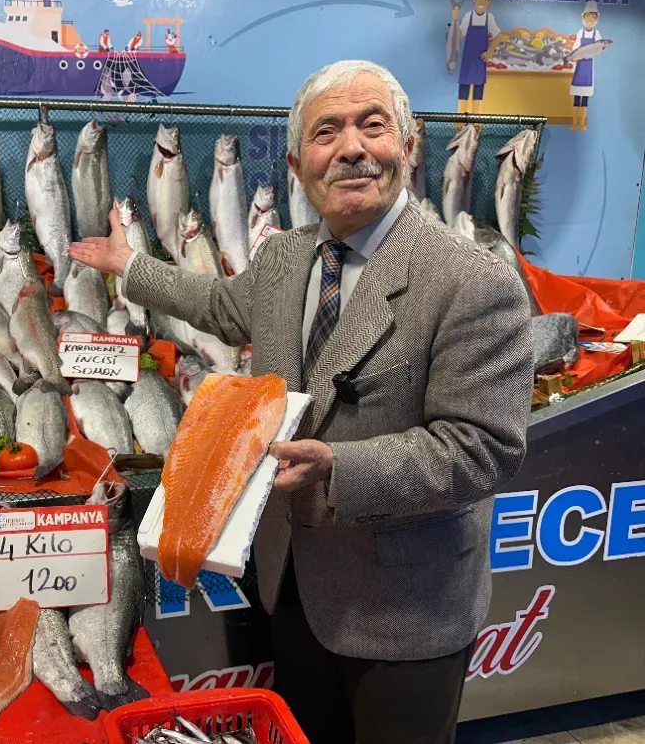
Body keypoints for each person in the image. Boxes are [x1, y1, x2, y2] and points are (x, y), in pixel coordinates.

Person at [69, 60, 533, 743]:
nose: (351, 147)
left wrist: (340, 468)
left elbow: (484, 450)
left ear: (408, 147)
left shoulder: (472, 282)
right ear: (297, 165)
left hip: (406, 611)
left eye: (372, 125)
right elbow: (220, 305)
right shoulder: (285, 258)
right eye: (326, 132)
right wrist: (129, 267)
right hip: (291, 585)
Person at [453, 0, 507, 113]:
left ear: (489, 2)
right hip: (468, 58)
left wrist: (489, 52)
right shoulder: (468, 16)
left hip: (480, 59)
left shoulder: (489, 18)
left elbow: (498, 36)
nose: (482, 1)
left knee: (479, 85)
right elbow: (460, 35)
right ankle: (460, 117)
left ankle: (476, 118)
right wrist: (455, 21)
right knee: (464, 84)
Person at [570, 2, 602, 132]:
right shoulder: (580, 32)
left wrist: (589, 55)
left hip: (588, 68)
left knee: (585, 97)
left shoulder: (596, 34)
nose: (589, 20)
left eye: (592, 17)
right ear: (583, 18)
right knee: (577, 96)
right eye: (587, 17)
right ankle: (574, 123)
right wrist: (575, 55)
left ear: (596, 19)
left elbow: (598, 49)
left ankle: (582, 123)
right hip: (579, 67)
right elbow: (576, 46)